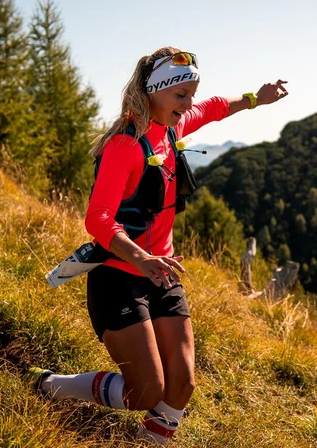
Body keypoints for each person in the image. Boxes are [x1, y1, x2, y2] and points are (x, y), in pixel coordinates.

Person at [27, 46, 288, 445]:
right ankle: (53, 385)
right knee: (144, 392)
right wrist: (140, 256)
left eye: (191, 94)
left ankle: (150, 442)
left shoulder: (172, 128)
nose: (189, 104)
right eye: (180, 95)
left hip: (161, 273)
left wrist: (256, 98)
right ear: (154, 91)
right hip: (119, 275)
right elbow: (98, 218)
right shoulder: (125, 145)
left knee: (182, 386)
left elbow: (216, 107)